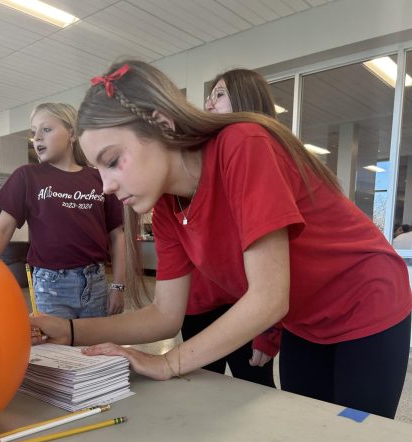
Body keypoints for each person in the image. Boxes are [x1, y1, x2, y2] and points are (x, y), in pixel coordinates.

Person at [31, 60, 411, 419]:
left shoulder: (242, 145)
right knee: (308, 430)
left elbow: (268, 297)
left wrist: (168, 362)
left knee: (358, 439)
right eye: (97, 168)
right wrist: (72, 331)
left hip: (367, 302)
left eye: (112, 161)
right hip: (305, 321)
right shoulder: (166, 207)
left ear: (161, 124)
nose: (106, 186)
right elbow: (165, 315)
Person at [182, 68, 282, 387]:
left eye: (219, 95)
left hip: (247, 304)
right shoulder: (197, 158)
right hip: (199, 303)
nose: (209, 104)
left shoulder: (254, 149)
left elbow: (278, 263)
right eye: (209, 96)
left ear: (245, 99)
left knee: (253, 392)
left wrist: (270, 332)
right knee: (201, 394)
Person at [0, 102, 125, 318]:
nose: (37, 137)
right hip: (50, 287)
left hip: (96, 283)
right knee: (56, 351)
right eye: (34, 132)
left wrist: (118, 287)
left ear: (72, 133)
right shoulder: (27, 176)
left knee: (95, 350)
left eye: (46, 129)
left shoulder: (98, 178)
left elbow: (117, 236)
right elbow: (3, 229)